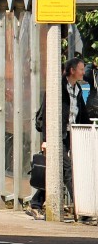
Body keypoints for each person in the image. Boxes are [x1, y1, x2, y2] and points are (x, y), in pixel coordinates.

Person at [27, 55, 86, 219]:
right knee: (67, 170)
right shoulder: (58, 87)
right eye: (81, 69)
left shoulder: (77, 89)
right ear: (72, 70)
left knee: (57, 172)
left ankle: (35, 203)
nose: (83, 72)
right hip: (55, 136)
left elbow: (82, 114)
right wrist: (47, 139)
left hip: (69, 136)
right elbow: (47, 114)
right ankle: (82, 209)